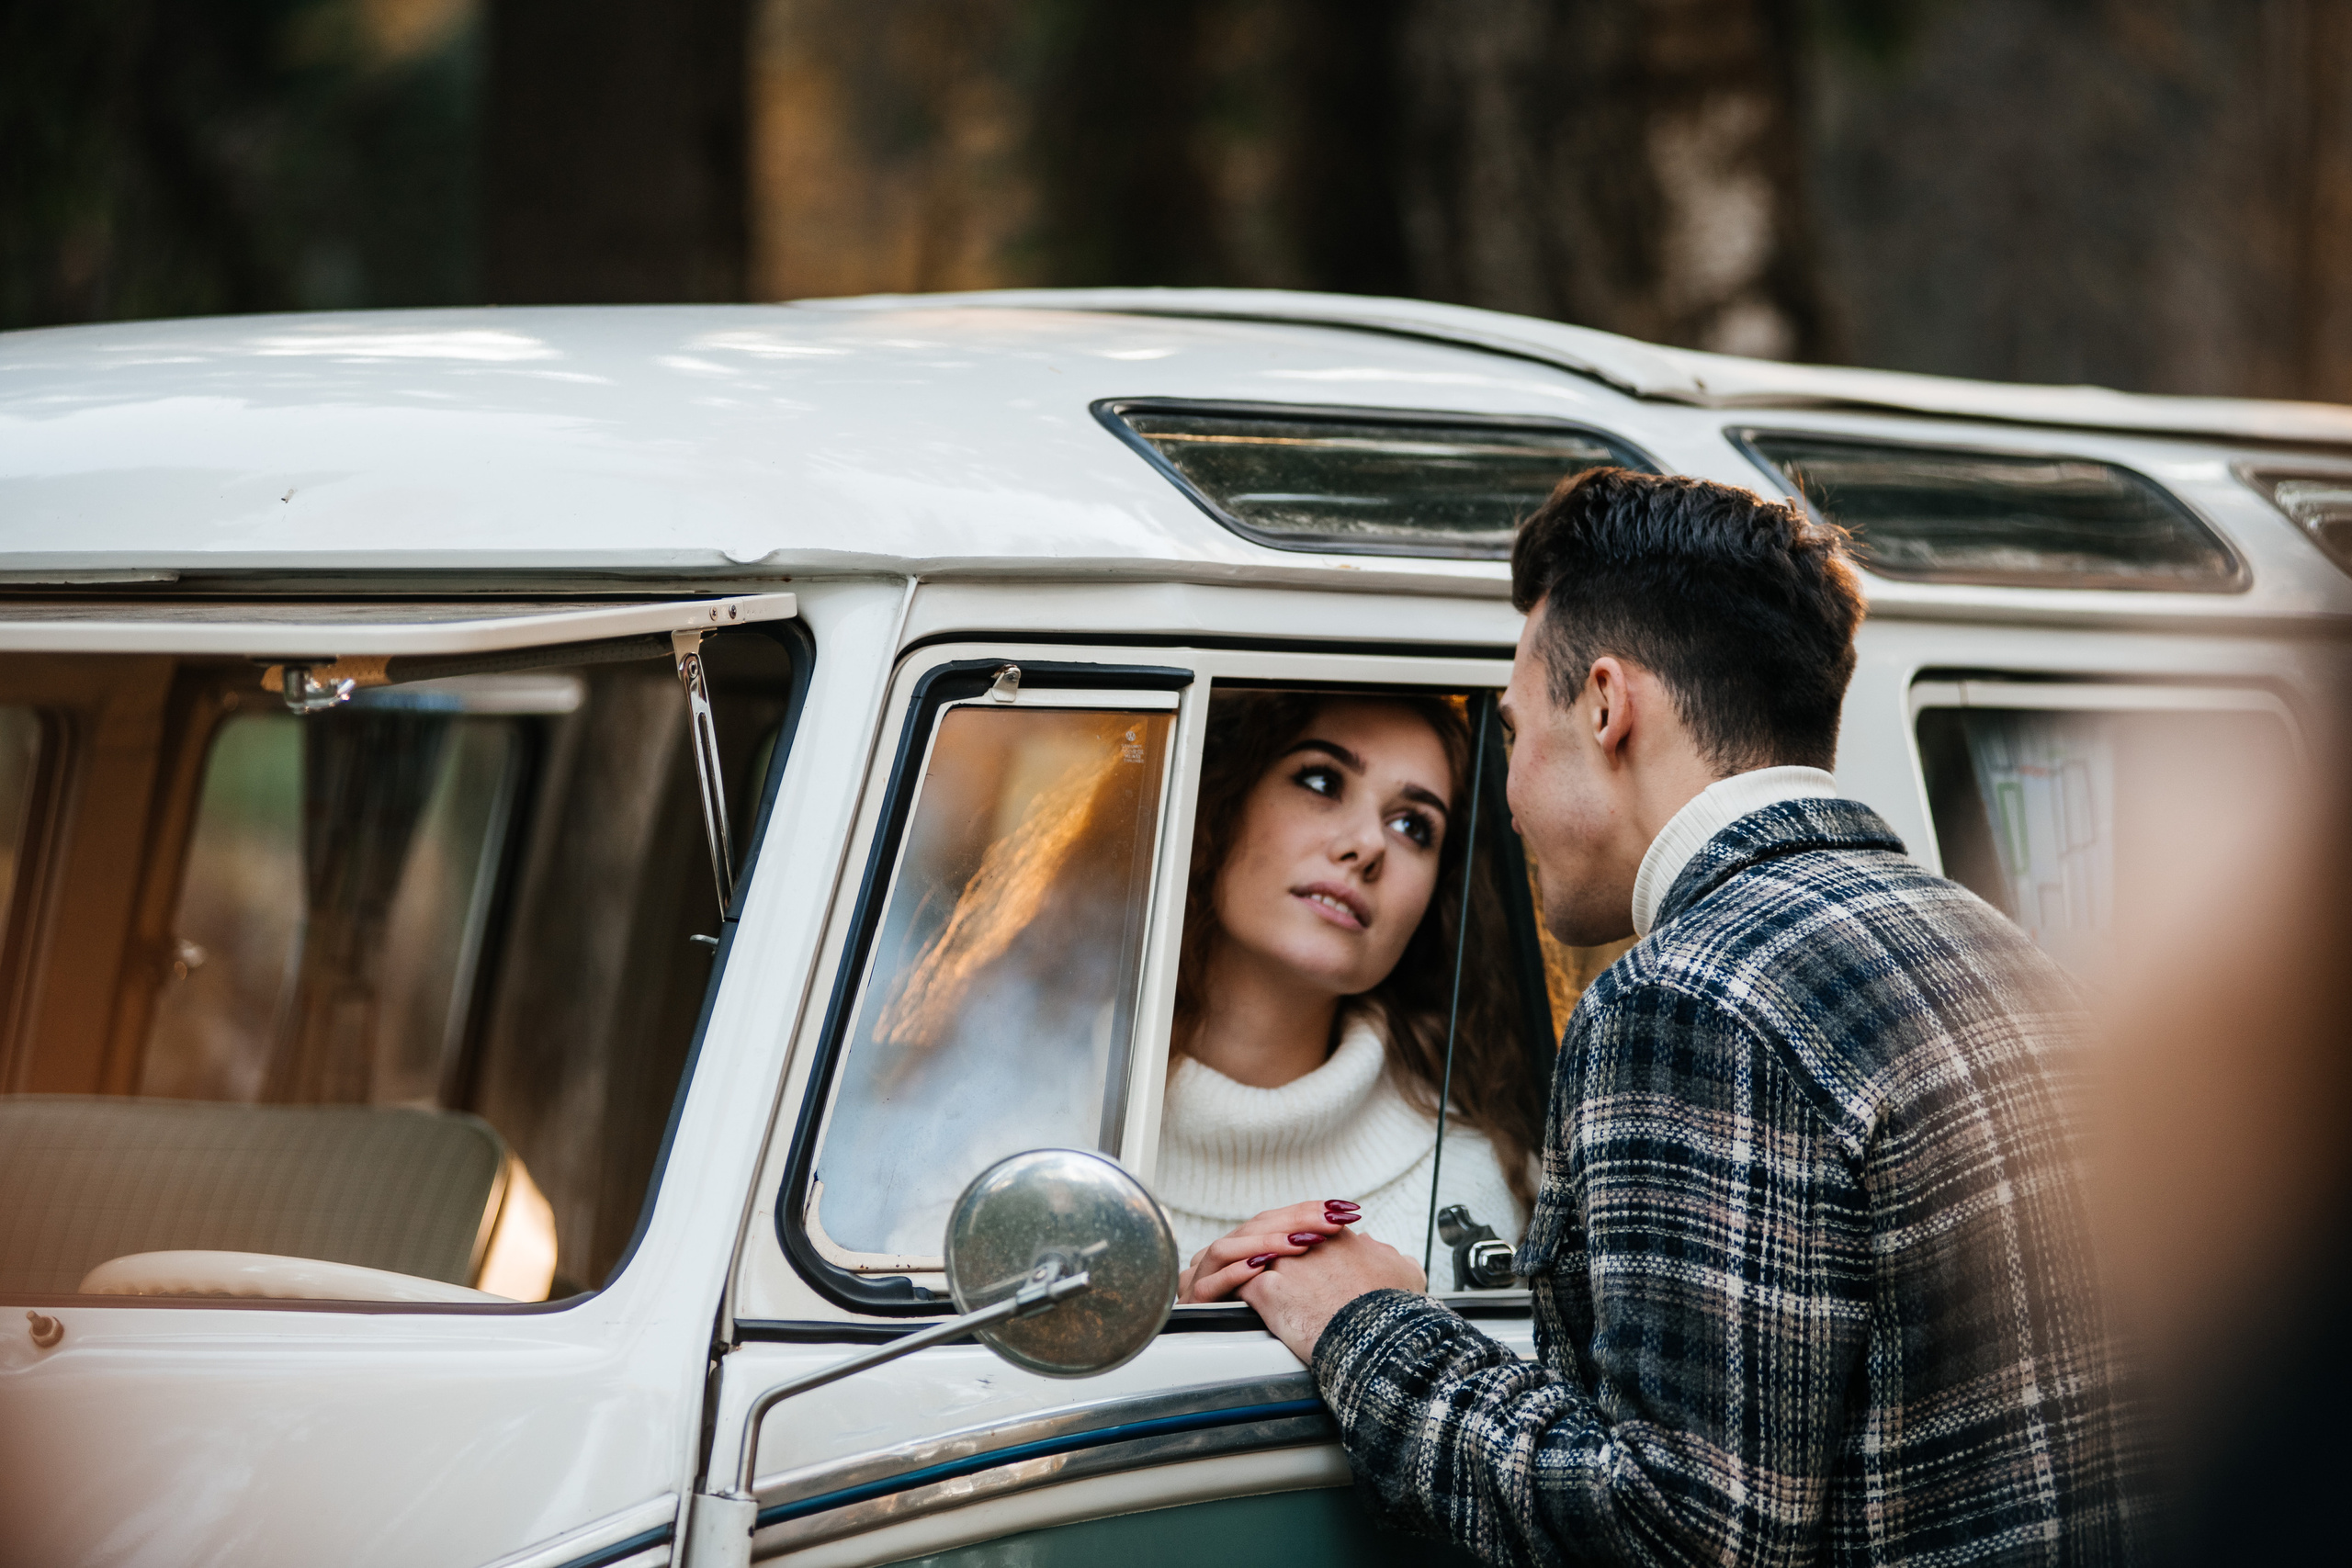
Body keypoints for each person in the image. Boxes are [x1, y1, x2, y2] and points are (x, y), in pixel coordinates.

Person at [1237, 468, 2143, 1565]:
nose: (1509, 796)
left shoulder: (1691, 995)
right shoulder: (1997, 947)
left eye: (1516, 733)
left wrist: (1364, 1324)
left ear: (1608, 706)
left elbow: (1673, 1533)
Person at [1160, 691, 1541, 1301]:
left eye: (1413, 825)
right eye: (1321, 780)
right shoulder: (1020, 1121)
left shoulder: (1487, 1184)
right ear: (1219, 800)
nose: (1366, 846)